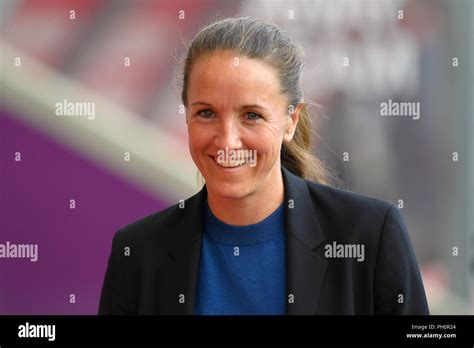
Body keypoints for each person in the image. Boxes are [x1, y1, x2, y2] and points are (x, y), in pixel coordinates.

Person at [98, 16, 429, 315]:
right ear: (186, 117)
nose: (228, 141)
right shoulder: (138, 252)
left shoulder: (371, 234)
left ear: (290, 121)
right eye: (207, 113)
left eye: (251, 116)